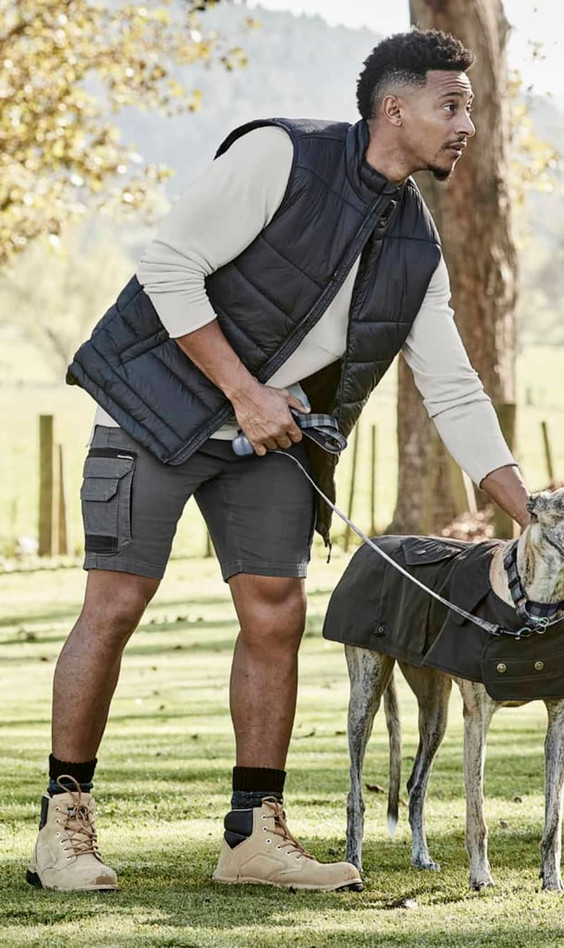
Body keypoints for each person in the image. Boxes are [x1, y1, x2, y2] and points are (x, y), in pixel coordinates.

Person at [28, 28, 530, 893]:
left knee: (276, 611)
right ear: (394, 108)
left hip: (270, 436)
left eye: (471, 109)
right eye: (452, 106)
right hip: (155, 405)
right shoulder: (279, 155)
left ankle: (253, 836)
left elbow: (452, 389)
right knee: (113, 604)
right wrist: (245, 394)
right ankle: (63, 827)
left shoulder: (416, 247)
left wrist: (537, 516)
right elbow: (169, 272)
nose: (466, 127)